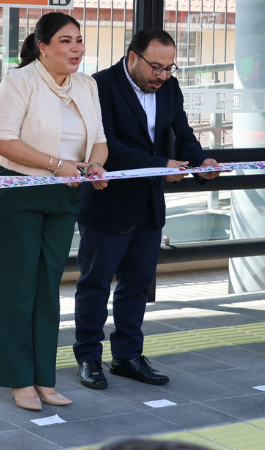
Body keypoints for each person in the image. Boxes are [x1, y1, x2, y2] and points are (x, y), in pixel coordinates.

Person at [0, 11, 108, 412]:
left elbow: (99, 140)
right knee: (15, 290)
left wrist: (96, 166)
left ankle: (43, 378)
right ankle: (18, 378)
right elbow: (3, 141)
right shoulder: (20, 80)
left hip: (63, 195)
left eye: (79, 40)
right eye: (66, 41)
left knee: (47, 290)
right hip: (15, 191)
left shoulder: (86, 85)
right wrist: (56, 164)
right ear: (43, 46)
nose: (76, 48)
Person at [76, 30, 219, 390]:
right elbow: (107, 145)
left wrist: (202, 162)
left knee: (137, 285)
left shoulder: (169, 88)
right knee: (95, 285)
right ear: (132, 57)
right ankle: (89, 358)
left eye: (170, 68)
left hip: (149, 205)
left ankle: (127, 355)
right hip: (108, 202)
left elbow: (183, 133)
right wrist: (161, 165)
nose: (163, 76)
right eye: (156, 67)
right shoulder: (100, 86)